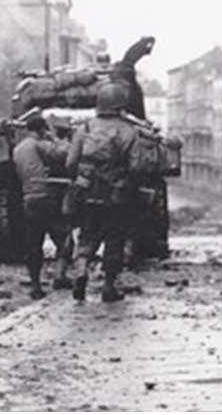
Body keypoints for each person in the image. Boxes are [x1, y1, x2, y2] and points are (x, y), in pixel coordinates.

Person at [66, 83, 144, 303]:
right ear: (121, 105)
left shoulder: (85, 129)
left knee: (87, 235)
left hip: (87, 190)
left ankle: (81, 270)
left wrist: (80, 179)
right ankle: (108, 288)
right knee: (114, 239)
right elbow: (136, 166)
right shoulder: (129, 131)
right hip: (115, 195)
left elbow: (71, 162)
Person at [14, 112, 73, 299]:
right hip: (46, 198)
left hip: (28, 198)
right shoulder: (39, 145)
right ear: (41, 130)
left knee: (34, 244)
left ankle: (35, 285)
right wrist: (58, 138)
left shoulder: (18, 149)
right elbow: (64, 154)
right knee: (65, 238)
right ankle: (60, 275)